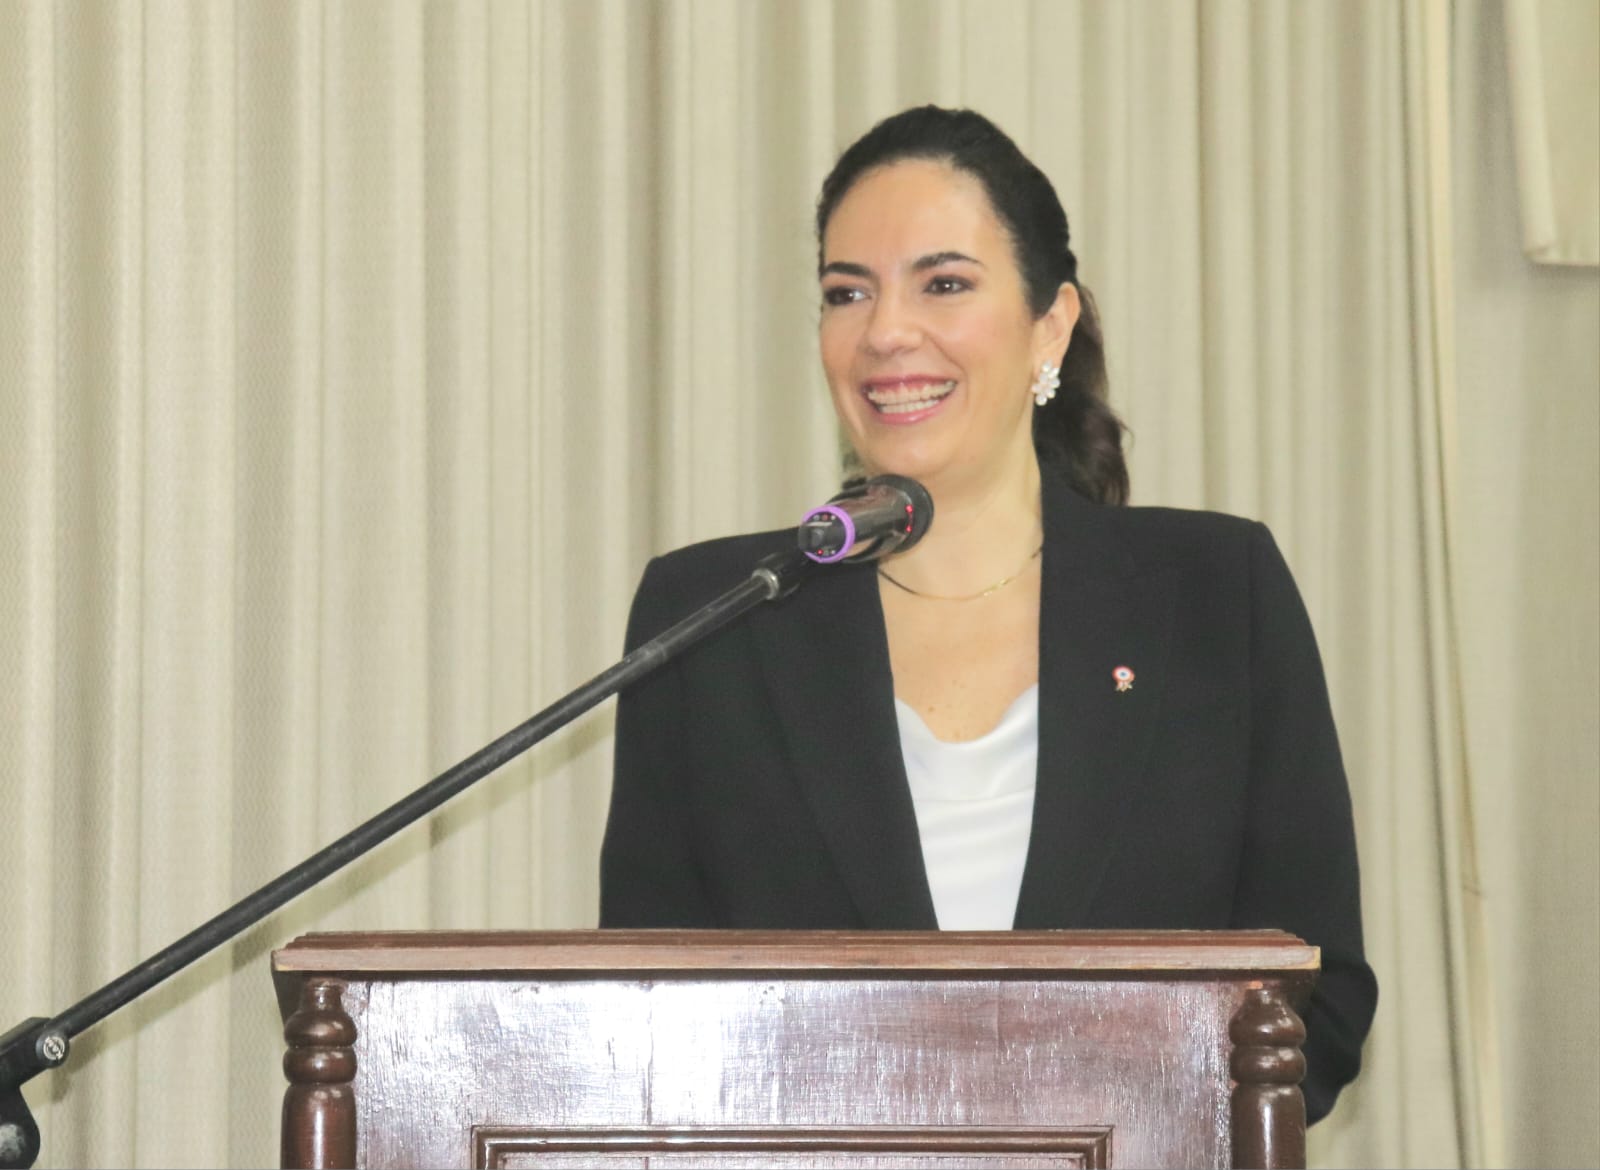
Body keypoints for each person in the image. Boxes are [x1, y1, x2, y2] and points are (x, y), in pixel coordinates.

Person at [599, 105, 1376, 1122]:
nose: (884, 332)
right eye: (847, 292)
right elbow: (644, 1018)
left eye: (945, 284)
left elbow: (1312, 1002)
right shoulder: (718, 618)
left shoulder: (1213, 592)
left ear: (1050, 323)